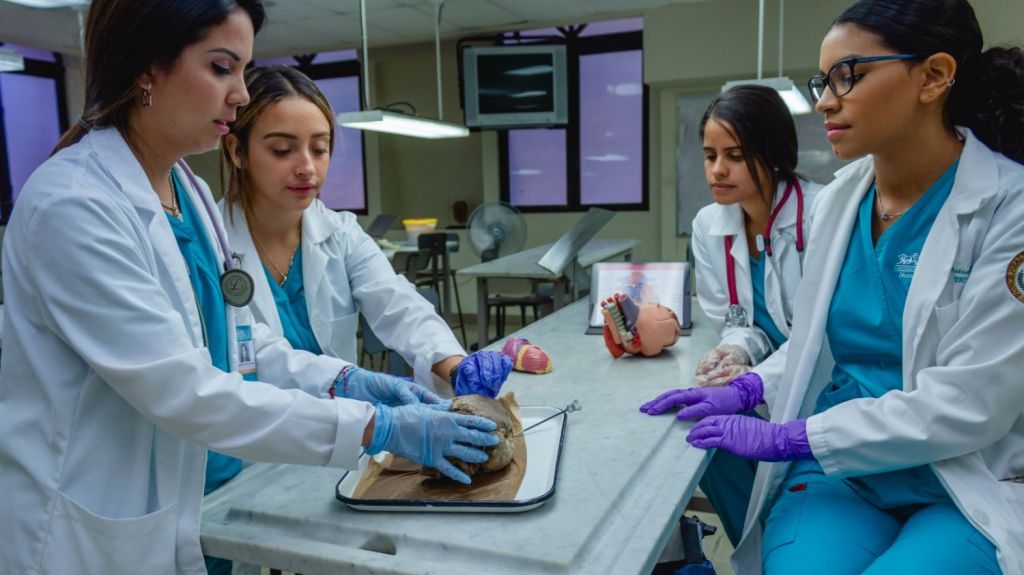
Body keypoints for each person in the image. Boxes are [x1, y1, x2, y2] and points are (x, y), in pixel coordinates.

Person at [0, 2, 498, 573]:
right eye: (221, 68)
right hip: (96, 524)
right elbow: (184, 387)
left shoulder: (182, 190)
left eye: (243, 70)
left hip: (195, 492)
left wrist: (347, 380)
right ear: (146, 69)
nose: (239, 94)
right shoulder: (75, 206)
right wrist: (372, 425)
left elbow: (240, 345)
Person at [645, 1, 1024, 573]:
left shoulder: (1007, 207)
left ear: (934, 76)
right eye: (823, 80)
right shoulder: (842, 203)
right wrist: (748, 389)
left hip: (962, 474)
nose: (824, 100)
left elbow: (972, 404)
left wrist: (791, 437)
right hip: (842, 473)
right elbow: (812, 345)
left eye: (848, 75)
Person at [210, 65, 512, 494]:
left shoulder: (341, 233)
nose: (307, 168)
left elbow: (398, 305)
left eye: (320, 148)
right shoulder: (212, 246)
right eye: (282, 150)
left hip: (344, 443)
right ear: (237, 151)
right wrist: (348, 381)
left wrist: (455, 363)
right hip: (254, 449)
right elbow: (251, 358)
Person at [643, 85, 821, 545]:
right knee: (703, 435)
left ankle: (785, 540)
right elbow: (741, 319)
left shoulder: (823, 214)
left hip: (821, 387)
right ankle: (755, 544)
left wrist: (750, 379)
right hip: (764, 379)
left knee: (795, 495)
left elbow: (820, 334)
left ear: (773, 153)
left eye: (736, 155)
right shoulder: (711, 224)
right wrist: (731, 353)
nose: (717, 170)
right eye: (709, 155)